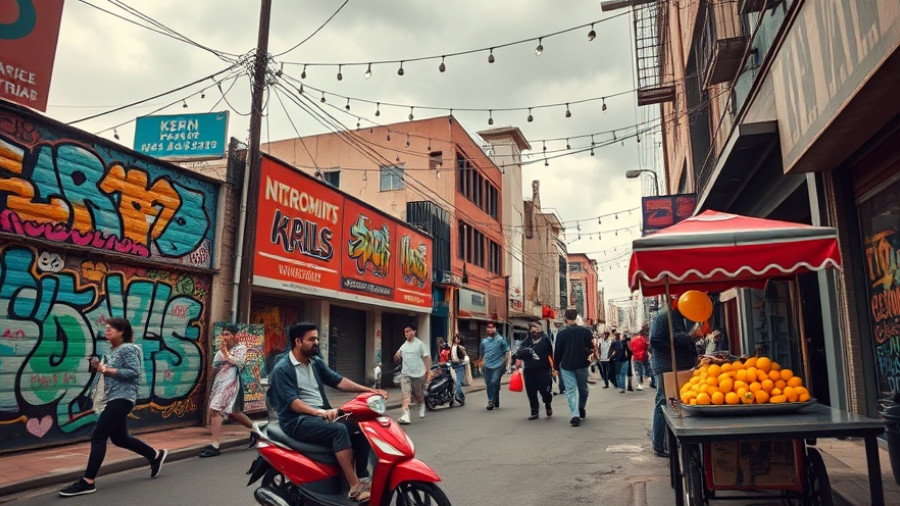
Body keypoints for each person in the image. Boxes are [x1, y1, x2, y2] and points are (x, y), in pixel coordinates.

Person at [268, 322, 387, 503]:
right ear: (298, 341)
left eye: (316, 338)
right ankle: (354, 486)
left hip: (320, 413)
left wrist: (368, 391)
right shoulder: (282, 369)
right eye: (311, 339)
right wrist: (319, 413)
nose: (316, 342)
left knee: (361, 425)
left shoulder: (314, 362)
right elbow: (293, 403)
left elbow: (338, 381)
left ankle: (362, 477)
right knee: (338, 430)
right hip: (297, 421)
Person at [59, 318, 168, 497]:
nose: (106, 332)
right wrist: (96, 370)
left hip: (123, 398)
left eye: (110, 329)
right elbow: (107, 375)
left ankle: (88, 481)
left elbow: (134, 373)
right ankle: (155, 455)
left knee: (98, 435)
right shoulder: (113, 352)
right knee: (120, 438)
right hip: (113, 398)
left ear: (122, 331)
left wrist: (106, 370)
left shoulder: (128, 348)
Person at [649, 303, 701, 458]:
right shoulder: (664, 317)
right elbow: (655, 341)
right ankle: (658, 445)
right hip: (667, 367)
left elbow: (685, 341)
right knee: (664, 402)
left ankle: (670, 441)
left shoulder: (684, 319)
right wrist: (678, 344)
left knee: (677, 402)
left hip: (680, 366)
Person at [200, 324, 255, 458]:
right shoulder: (219, 352)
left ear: (234, 336)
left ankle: (215, 445)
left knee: (215, 409)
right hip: (219, 383)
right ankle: (257, 430)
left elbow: (239, 363)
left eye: (227, 334)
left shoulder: (241, 348)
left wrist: (225, 352)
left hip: (231, 384)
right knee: (234, 412)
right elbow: (215, 367)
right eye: (223, 334)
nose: (224, 337)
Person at [553, 309, 594, 427]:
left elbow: (558, 352)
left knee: (570, 391)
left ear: (566, 318)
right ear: (576, 317)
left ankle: (575, 414)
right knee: (584, 390)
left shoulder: (561, 334)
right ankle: (581, 407)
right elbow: (591, 347)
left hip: (566, 366)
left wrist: (556, 366)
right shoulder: (585, 332)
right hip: (582, 365)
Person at [394, 323, 431, 424]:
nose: (406, 334)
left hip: (418, 375)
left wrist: (428, 373)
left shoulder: (420, 344)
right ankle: (405, 415)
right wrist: (396, 356)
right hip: (405, 374)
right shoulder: (403, 346)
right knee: (406, 395)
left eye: (408, 331)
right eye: (405, 332)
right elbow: (397, 357)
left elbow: (427, 358)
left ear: (414, 332)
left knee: (419, 395)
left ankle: (422, 404)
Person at [517, 322, 554, 420]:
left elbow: (551, 353)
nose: (535, 331)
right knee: (531, 392)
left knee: (544, 391)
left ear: (539, 329)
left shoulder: (545, 340)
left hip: (543, 370)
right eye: (532, 329)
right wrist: (527, 351)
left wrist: (554, 367)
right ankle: (534, 411)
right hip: (529, 371)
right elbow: (519, 353)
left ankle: (548, 404)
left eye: (536, 328)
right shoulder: (526, 341)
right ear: (529, 331)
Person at [481, 322, 510, 410]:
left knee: (494, 381)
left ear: (495, 329)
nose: (489, 329)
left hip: (498, 365)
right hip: (487, 366)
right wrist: (481, 362)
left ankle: (494, 397)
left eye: (492, 327)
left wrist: (505, 363)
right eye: (488, 328)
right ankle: (491, 400)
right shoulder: (484, 341)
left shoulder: (501, 340)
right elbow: (482, 353)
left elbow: (507, 352)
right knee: (488, 383)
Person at [630, 324, 653, 390]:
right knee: (648, 369)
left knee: (638, 372)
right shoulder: (644, 339)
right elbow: (648, 347)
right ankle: (650, 379)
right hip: (644, 356)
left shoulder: (633, 340)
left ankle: (639, 384)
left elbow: (631, 349)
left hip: (636, 357)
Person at [449, 335, 467, 403]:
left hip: (459, 366)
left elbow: (465, 356)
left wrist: (463, 361)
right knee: (453, 383)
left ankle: (458, 396)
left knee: (458, 383)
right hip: (453, 366)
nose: (456, 340)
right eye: (456, 339)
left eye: (458, 339)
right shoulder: (451, 347)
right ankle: (460, 396)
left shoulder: (461, 347)